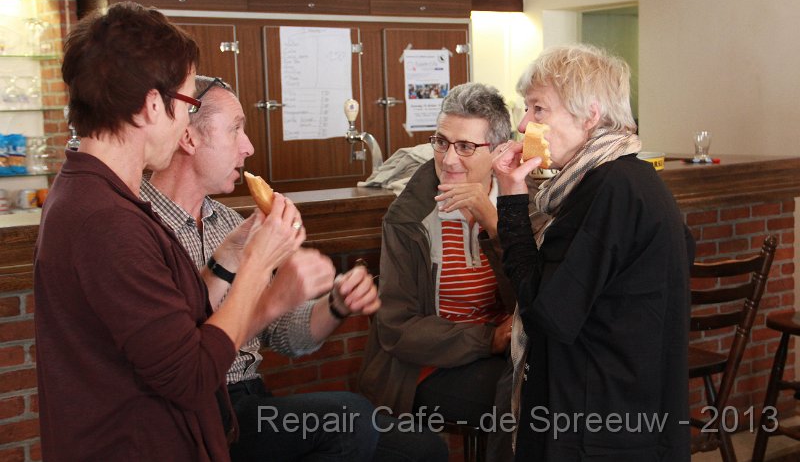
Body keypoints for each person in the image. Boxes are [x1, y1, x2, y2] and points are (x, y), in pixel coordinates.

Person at [34, 2, 326, 460]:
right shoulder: (105, 221)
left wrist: (230, 257)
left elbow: (172, 332)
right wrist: (259, 273)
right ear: (153, 106)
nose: (186, 124)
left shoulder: (96, 194)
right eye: (188, 105)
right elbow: (191, 375)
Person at [142, 75, 448, 462]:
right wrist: (269, 287)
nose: (248, 146)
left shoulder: (228, 222)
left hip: (252, 400)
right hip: (197, 412)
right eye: (236, 129)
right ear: (189, 137)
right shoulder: (140, 227)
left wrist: (335, 304)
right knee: (351, 419)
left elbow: (285, 335)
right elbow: (176, 356)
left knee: (423, 450)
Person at [491, 44, 694, 461]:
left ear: (591, 115)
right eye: (526, 109)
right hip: (624, 406)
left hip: (598, 422)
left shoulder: (609, 189)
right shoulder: (629, 176)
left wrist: (511, 202)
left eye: (538, 109)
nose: (523, 124)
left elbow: (548, 313)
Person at [359, 82, 516, 462]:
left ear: (499, 151)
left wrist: (496, 228)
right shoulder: (408, 218)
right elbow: (397, 329)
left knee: (559, 383)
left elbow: (536, 297)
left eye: (465, 147)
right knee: (522, 400)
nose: (448, 159)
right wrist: (489, 339)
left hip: (508, 354)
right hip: (422, 368)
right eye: (441, 142)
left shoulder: (522, 203)